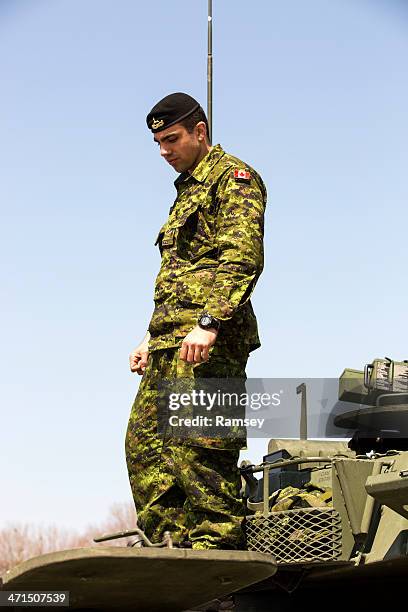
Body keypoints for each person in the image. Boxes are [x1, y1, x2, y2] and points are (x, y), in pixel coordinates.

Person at [125, 92, 267, 550]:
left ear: (200, 132)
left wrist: (209, 322)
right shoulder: (185, 193)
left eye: (172, 139)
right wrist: (150, 336)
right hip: (170, 342)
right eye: (158, 143)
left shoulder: (234, 179)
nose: (164, 151)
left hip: (211, 340)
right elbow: (177, 274)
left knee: (201, 450)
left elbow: (241, 258)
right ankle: (172, 549)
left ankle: (216, 553)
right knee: (147, 450)